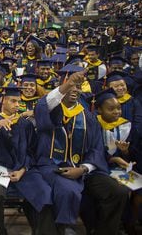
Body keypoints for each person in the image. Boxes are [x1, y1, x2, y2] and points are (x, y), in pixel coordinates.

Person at [34, 64, 129, 234]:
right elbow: (44, 105)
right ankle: (64, 229)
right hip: (54, 167)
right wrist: (67, 84)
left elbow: (96, 149)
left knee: (118, 192)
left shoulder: (88, 116)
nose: (74, 89)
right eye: (70, 85)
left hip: (84, 170)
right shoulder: (51, 109)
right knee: (67, 190)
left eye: (78, 86)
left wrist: (84, 168)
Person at [0, 86, 57, 235]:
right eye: (13, 101)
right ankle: (1, 230)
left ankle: (42, 231)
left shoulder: (25, 124)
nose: (17, 105)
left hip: (22, 168)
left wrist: (23, 169)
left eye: (18, 102)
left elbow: (31, 151)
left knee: (44, 192)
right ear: (2, 100)